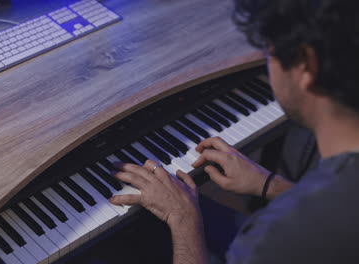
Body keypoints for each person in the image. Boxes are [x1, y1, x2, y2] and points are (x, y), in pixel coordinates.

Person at [109, 0, 359, 263]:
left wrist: (182, 219)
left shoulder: (275, 239)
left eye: (268, 52)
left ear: (307, 64)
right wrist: (270, 184)